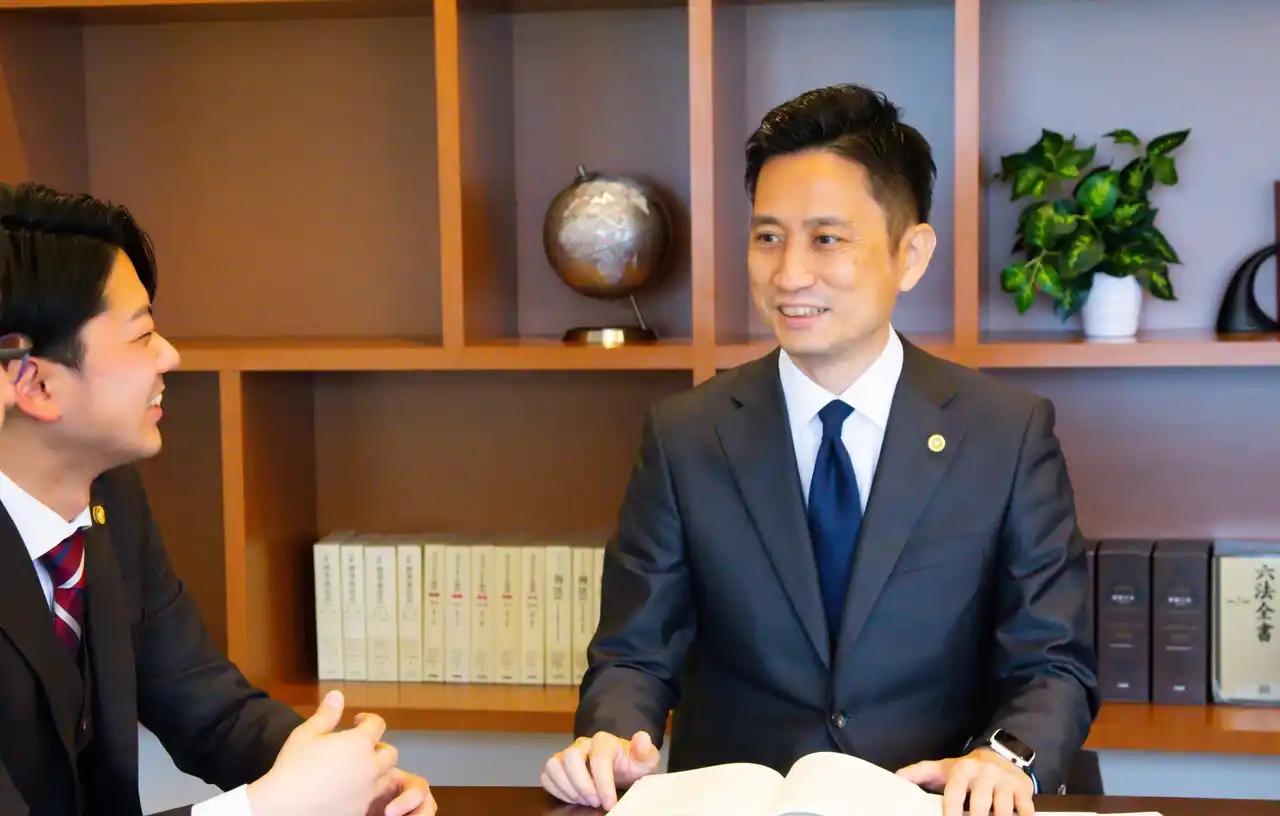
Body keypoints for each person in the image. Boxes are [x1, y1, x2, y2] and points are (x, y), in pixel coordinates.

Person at [541, 84, 1099, 816]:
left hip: (928, 807)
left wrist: (1004, 758)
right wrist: (613, 737)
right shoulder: (685, 435)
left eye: (826, 239)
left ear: (911, 254)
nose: (789, 274)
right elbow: (633, 653)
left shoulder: (1006, 433)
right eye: (768, 237)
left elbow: (1052, 660)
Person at [0, 182, 437, 816]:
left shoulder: (110, 498)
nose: (170, 357)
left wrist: (351, 775)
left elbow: (208, 706)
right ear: (34, 383)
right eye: (142, 335)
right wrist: (269, 808)